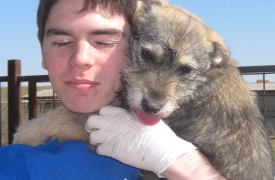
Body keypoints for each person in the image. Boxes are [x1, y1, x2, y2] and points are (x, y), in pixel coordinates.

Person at [0, 0, 225, 179]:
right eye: (62, 41)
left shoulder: (206, 134)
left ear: (135, 43)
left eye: (105, 42)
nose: (81, 59)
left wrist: (186, 166)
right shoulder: (15, 165)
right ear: (42, 50)